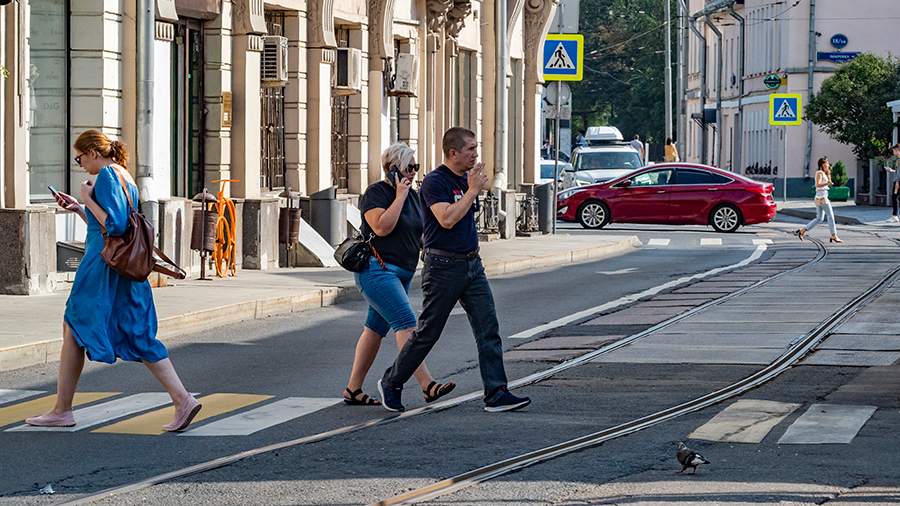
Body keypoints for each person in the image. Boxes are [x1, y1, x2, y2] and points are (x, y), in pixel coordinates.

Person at [26, 130, 201, 431]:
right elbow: (108, 225)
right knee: (137, 334)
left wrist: (86, 199)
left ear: (94, 152)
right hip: (123, 269)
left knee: (74, 324)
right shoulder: (125, 177)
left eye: (80, 158)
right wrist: (80, 209)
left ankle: (62, 411)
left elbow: (116, 226)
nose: (80, 164)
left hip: (102, 268)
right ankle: (183, 399)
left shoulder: (106, 175)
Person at [378, 127, 531, 413]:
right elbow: (446, 219)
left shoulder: (464, 178)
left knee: (488, 328)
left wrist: (472, 189)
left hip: (472, 264)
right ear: (453, 153)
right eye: (471, 149)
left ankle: (496, 392)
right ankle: (392, 381)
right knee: (428, 332)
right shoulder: (436, 181)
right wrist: (473, 191)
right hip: (443, 266)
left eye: (476, 148)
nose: (476, 154)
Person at [342, 143, 456, 406]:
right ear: (393, 169)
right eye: (408, 167)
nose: (413, 172)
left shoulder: (416, 197)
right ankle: (427, 385)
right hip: (377, 271)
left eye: (415, 167)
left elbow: (424, 232)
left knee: (374, 329)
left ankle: (353, 389)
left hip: (403, 273)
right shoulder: (376, 193)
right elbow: (382, 227)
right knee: (406, 323)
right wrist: (400, 196)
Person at [796, 157, 842, 243]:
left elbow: (828, 184)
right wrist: (827, 182)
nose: (827, 165)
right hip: (822, 198)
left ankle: (803, 230)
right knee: (831, 216)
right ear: (822, 165)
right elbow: (817, 185)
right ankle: (834, 235)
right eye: (826, 164)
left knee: (819, 219)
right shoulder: (819, 173)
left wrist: (829, 176)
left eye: (828, 164)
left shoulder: (824, 173)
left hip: (821, 197)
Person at [884, 144, 900, 222]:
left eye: (894, 150)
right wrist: (891, 170)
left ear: (897, 150)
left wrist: (897, 182)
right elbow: (897, 171)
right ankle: (895, 215)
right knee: (895, 197)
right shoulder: (897, 159)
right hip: (897, 180)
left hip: (898, 181)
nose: (893, 152)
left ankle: (895, 216)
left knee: (895, 197)